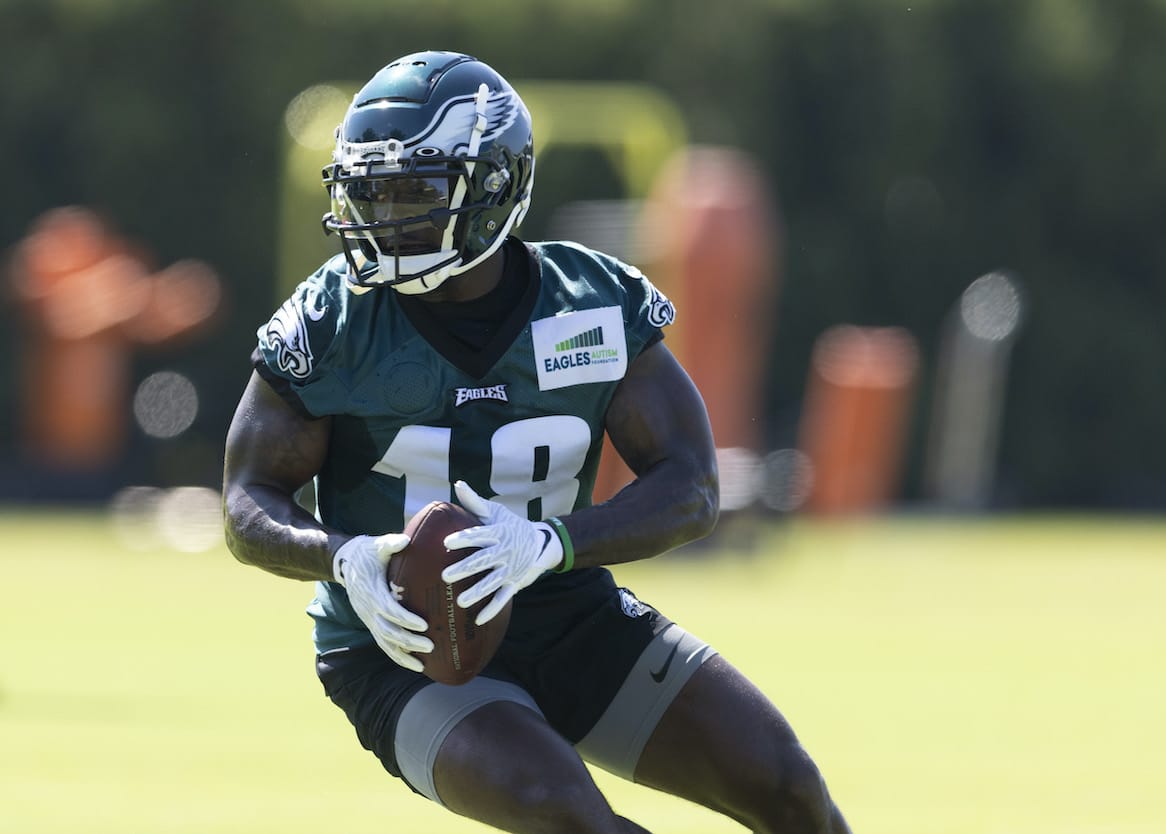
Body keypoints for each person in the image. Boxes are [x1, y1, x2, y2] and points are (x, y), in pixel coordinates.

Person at [223, 50, 851, 834]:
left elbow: (691, 484)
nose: (381, 216)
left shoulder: (588, 304)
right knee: (570, 817)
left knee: (789, 789)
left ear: (494, 189)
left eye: (411, 192)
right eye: (367, 190)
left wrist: (551, 544)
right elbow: (248, 499)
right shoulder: (334, 320)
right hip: (404, 647)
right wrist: (342, 556)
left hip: (566, 613)